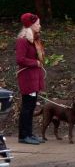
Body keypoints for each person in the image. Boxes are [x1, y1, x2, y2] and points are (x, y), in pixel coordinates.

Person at [15, 13, 45, 145]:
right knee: (27, 107)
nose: (39, 26)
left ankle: (29, 133)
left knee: (31, 106)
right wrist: (36, 63)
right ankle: (23, 135)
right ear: (31, 25)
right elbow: (20, 59)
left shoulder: (34, 40)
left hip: (34, 77)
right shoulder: (22, 40)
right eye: (37, 23)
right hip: (27, 78)